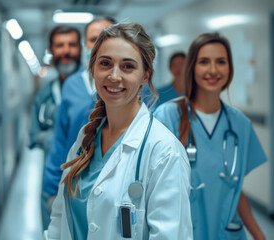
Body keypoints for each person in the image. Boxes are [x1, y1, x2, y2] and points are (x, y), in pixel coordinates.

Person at [45, 22, 192, 239]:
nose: (114, 76)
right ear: (92, 69)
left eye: (128, 66)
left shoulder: (165, 152)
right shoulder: (85, 138)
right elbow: (59, 221)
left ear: (145, 75)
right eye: (105, 63)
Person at [154, 33, 266, 240]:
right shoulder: (167, 116)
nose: (213, 70)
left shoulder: (240, 124)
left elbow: (234, 189)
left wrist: (259, 235)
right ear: (192, 68)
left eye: (221, 62)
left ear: (230, 68)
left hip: (228, 233)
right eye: (204, 62)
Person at [41, 16, 116, 229]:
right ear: (86, 45)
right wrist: (52, 188)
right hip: (77, 184)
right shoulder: (73, 85)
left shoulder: (134, 84)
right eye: (94, 39)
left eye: (109, 36)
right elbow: (61, 140)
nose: (102, 44)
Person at [34, 25, 82, 229]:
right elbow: (34, 133)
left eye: (72, 44)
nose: (66, 51)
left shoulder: (95, 87)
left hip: (83, 178)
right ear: (51, 50)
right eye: (60, 45)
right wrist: (53, 139)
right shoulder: (45, 93)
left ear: (81, 49)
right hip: (54, 178)